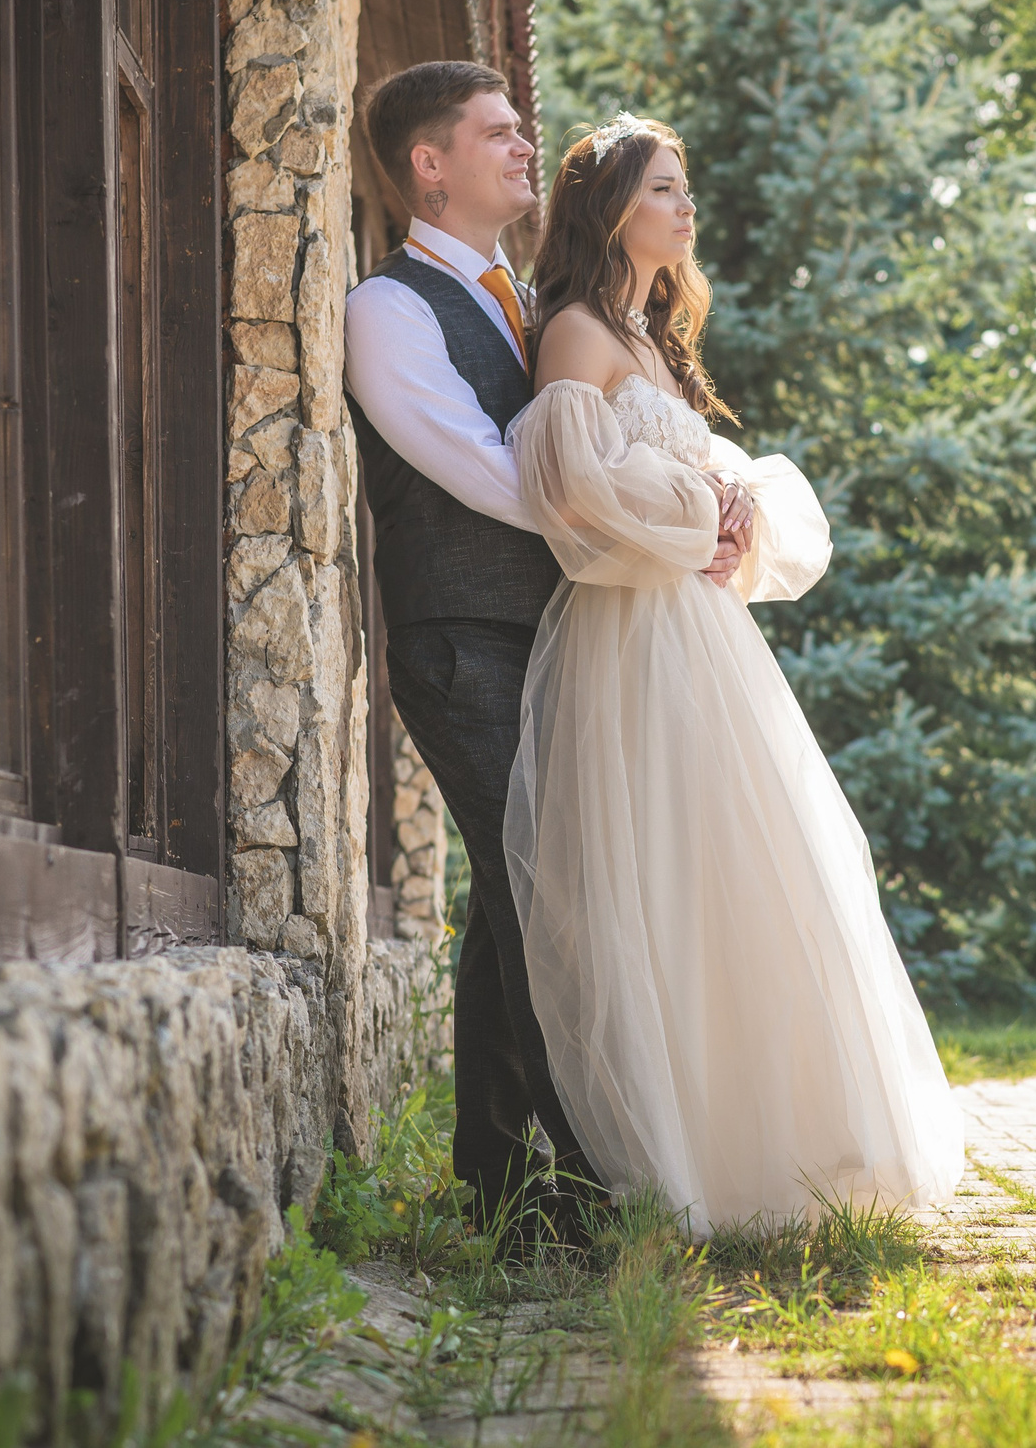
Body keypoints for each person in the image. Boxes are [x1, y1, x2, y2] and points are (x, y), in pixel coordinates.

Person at [502, 115, 965, 1232]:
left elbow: (677, 480)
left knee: (755, 863)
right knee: (664, 867)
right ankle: (694, 1157)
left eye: (685, 186)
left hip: (702, 634)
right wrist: (696, 510)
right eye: (665, 187)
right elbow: (571, 491)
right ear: (613, 208)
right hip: (630, 635)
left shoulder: (650, 339)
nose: (685, 205)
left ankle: (795, 1144)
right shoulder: (574, 332)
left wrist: (733, 505)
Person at [343, 62, 728, 1236]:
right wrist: (660, 515)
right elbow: (498, 474)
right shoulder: (391, 309)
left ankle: (505, 1184)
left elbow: (592, 435)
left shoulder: (527, 300)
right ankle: (587, 1183)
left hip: (552, 634)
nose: (526, 148)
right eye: (498, 132)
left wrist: (689, 488)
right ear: (429, 163)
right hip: (465, 640)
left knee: (516, 896)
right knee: (548, 899)